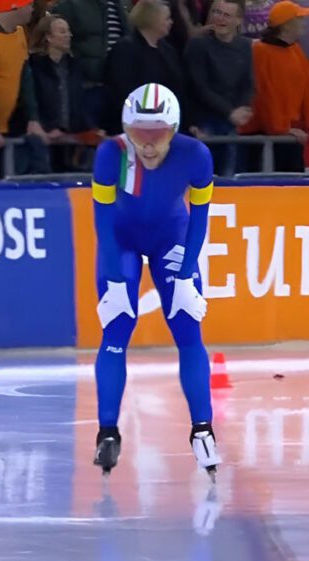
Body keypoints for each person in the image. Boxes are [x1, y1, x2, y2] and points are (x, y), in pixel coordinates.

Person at [90, 82, 221, 480]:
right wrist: (114, 279)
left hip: (171, 237)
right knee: (117, 328)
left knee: (187, 329)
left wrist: (185, 276)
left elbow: (199, 218)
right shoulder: (110, 154)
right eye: (139, 135)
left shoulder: (195, 155)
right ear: (126, 130)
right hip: (123, 240)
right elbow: (103, 221)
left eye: (158, 135)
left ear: (175, 130)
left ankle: (203, 429)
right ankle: (108, 431)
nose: (147, 146)